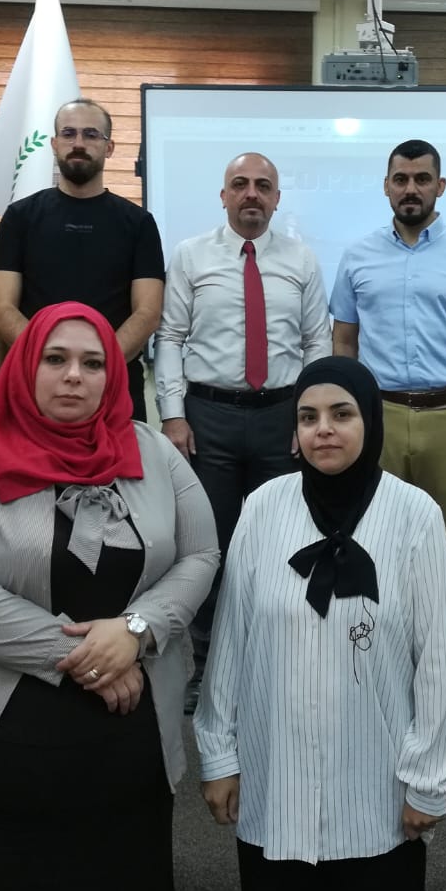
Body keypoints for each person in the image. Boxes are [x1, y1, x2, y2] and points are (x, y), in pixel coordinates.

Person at [0, 301, 218, 891]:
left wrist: (136, 631)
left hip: (122, 762)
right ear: (25, 365)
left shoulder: (154, 452)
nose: (74, 375)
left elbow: (201, 552)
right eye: (56, 359)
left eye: (93, 363)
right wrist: (82, 654)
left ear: (112, 375)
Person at [194, 356, 446, 891]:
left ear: (370, 420)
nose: (324, 430)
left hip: (378, 795)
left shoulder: (415, 515)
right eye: (308, 417)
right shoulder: (264, 508)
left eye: (342, 414)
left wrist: (428, 781)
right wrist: (218, 754)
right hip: (276, 788)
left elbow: (438, 659)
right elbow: (232, 639)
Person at [155, 151, 333, 699]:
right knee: (208, 543)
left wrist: (308, 417)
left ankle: (275, 658)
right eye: (240, 184)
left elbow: (317, 342)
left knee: (280, 541)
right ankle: (206, 664)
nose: (251, 193)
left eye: (262, 185)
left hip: (281, 417)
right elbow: (170, 337)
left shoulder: (301, 259)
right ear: (224, 195)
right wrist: (173, 415)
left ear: (277, 198)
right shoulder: (190, 256)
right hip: (208, 418)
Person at [330, 138, 446, 537]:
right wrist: (345, 413)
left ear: (440, 186)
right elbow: (344, 341)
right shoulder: (356, 256)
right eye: (401, 179)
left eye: (422, 179)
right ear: (386, 186)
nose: (410, 189)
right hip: (380, 417)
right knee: (376, 534)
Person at [0, 98, 165, 421]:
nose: (79, 143)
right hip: (35, 383)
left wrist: (96, 365)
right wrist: (51, 363)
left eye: (91, 134)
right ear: (54, 144)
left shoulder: (138, 223)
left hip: (116, 382)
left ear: (109, 148)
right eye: (69, 134)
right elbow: (1, 308)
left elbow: (148, 312)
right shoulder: (19, 217)